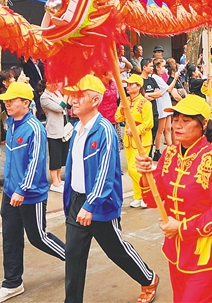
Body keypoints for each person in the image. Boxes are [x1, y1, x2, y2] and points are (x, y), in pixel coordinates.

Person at [62, 75, 158, 303]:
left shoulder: (104, 130)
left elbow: (105, 172)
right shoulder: (77, 129)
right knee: (73, 257)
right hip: (78, 203)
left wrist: (90, 204)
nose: (73, 100)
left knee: (116, 250)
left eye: (79, 95)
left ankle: (148, 278)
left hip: (99, 204)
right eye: (72, 95)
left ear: (95, 100)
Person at [135, 95, 212, 303]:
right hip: (176, 250)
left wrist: (181, 228)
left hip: (205, 252)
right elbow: (155, 199)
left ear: (203, 124)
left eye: (186, 120)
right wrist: (145, 176)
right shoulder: (170, 153)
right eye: (175, 119)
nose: (177, 125)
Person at [0, 82, 65, 303]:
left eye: (12, 100)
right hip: (9, 193)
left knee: (38, 237)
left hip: (30, 194)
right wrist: (11, 189)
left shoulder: (34, 128)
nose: (7, 104)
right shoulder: (10, 123)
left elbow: (36, 161)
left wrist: (22, 189)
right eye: (6, 100)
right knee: (10, 238)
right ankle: (12, 283)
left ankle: (73, 257)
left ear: (25, 103)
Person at [115, 74, 153, 209]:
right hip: (128, 140)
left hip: (141, 140)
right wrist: (121, 106)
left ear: (139, 86)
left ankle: (149, 192)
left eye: (131, 84)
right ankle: (138, 196)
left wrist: (136, 130)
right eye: (128, 84)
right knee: (132, 171)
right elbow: (118, 118)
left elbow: (149, 123)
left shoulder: (145, 103)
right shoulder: (125, 102)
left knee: (134, 168)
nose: (128, 86)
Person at [40, 81, 69, 193]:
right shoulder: (44, 97)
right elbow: (59, 108)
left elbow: (66, 107)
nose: (56, 84)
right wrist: (66, 95)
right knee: (55, 157)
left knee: (61, 156)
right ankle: (54, 182)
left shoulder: (57, 93)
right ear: (47, 84)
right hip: (53, 130)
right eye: (53, 82)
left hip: (63, 129)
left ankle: (59, 179)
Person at [140, 58, 164, 160]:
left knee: (152, 136)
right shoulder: (139, 80)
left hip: (154, 112)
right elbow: (141, 96)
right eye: (150, 66)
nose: (152, 68)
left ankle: (149, 155)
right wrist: (151, 95)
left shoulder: (152, 80)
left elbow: (159, 93)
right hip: (144, 114)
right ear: (144, 67)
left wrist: (149, 95)